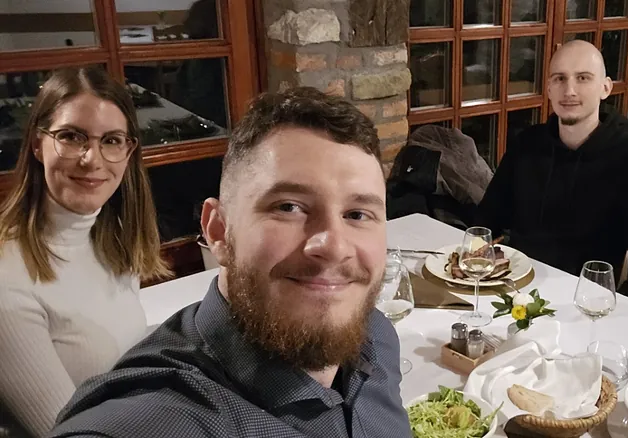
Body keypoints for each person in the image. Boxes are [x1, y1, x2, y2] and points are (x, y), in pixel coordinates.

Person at [49, 88, 412, 437]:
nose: (334, 247)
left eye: (358, 214)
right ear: (218, 230)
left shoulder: (375, 339)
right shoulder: (156, 418)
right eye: (288, 207)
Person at [0, 67, 168, 436]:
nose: (92, 159)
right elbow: (69, 432)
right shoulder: (7, 283)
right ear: (36, 144)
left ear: (129, 152)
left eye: (111, 140)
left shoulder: (114, 240)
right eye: (71, 136)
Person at [476, 40, 628, 304]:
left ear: (605, 88)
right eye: (559, 79)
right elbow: (486, 221)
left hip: (585, 302)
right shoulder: (527, 145)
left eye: (583, 78)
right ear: (547, 88)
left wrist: (620, 309)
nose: (569, 90)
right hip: (516, 292)